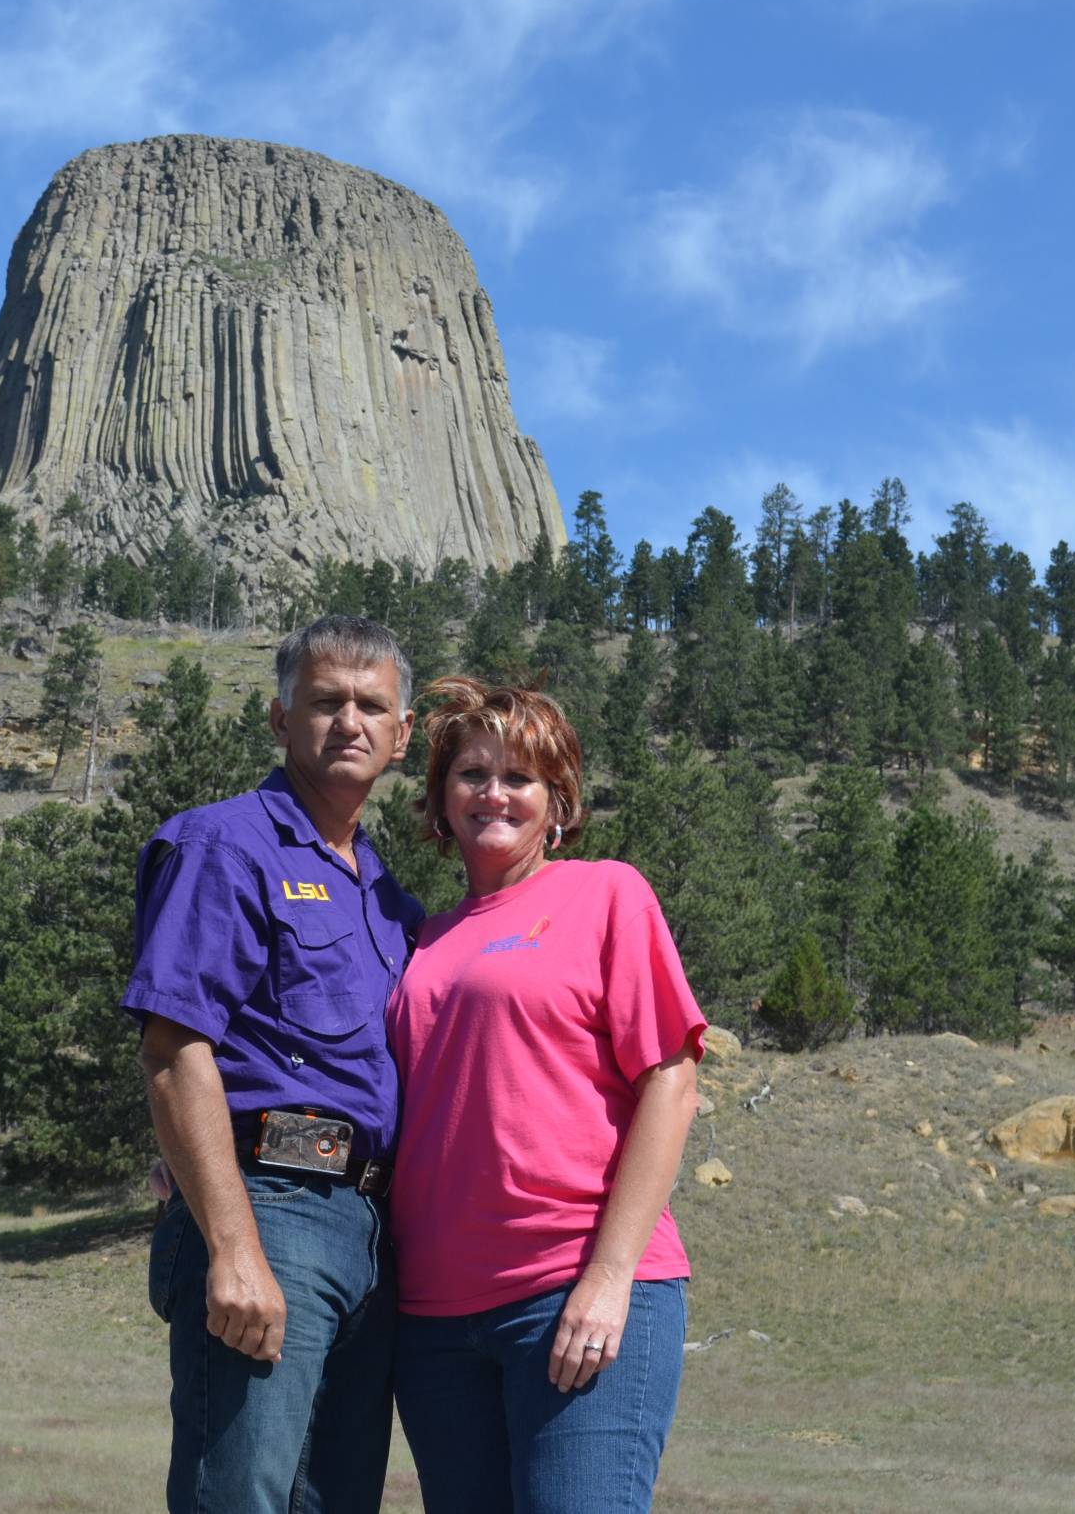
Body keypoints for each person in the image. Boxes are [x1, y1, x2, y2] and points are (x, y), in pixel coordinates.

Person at [125, 614, 426, 1514]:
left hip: (367, 1227)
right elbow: (175, 1051)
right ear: (279, 717)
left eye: (372, 706)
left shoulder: (387, 900)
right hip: (273, 1207)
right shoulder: (223, 847)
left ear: (402, 735)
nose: (350, 723)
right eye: (325, 701)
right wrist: (233, 1246)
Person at [386, 676, 706, 1513]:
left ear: (556, 801)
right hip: (433, 1321)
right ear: (442, 799)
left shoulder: (605, 894)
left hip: (570, 1286)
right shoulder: (420, 936)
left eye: (519, 777)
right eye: (471, 773)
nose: (493, 792)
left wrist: (608, 1277)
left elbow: (670, 1081)